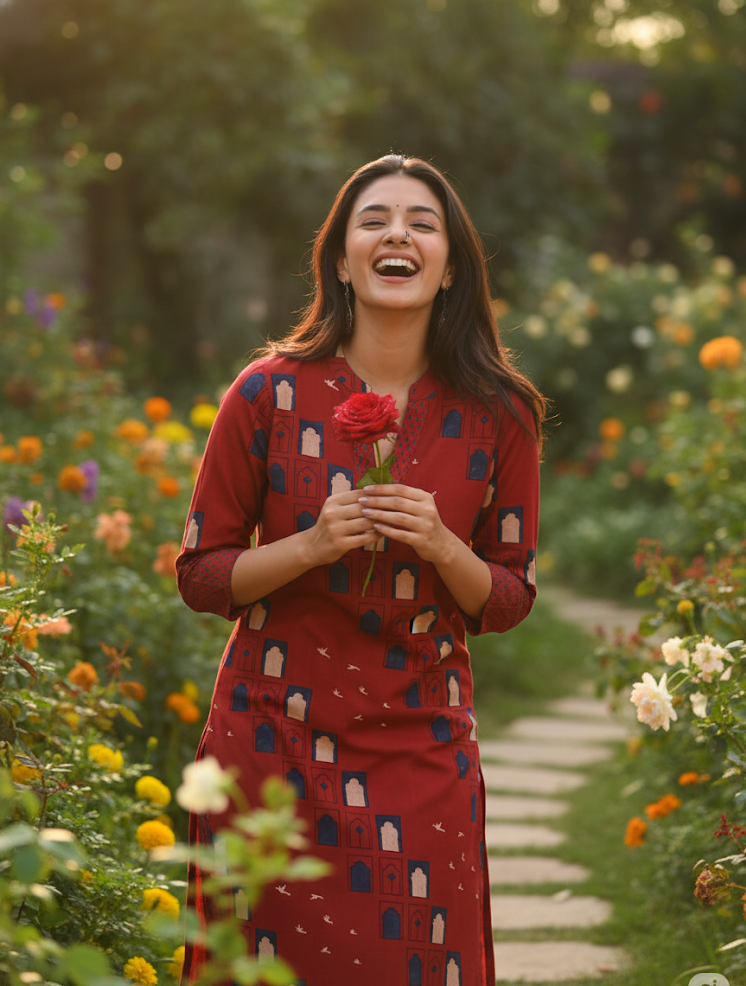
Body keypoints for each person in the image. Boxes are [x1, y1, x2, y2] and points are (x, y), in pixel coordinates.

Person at [176, 153, 545, 986]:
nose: (398, 235)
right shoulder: (263, 393)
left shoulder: (501, 412)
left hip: (422, 745)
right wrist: (308, 546)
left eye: (423, 223)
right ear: (341, 259)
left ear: (450, 267)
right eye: (373, 220)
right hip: (272, 740)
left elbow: (512, 597)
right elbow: (202, 574)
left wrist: (446, 545)